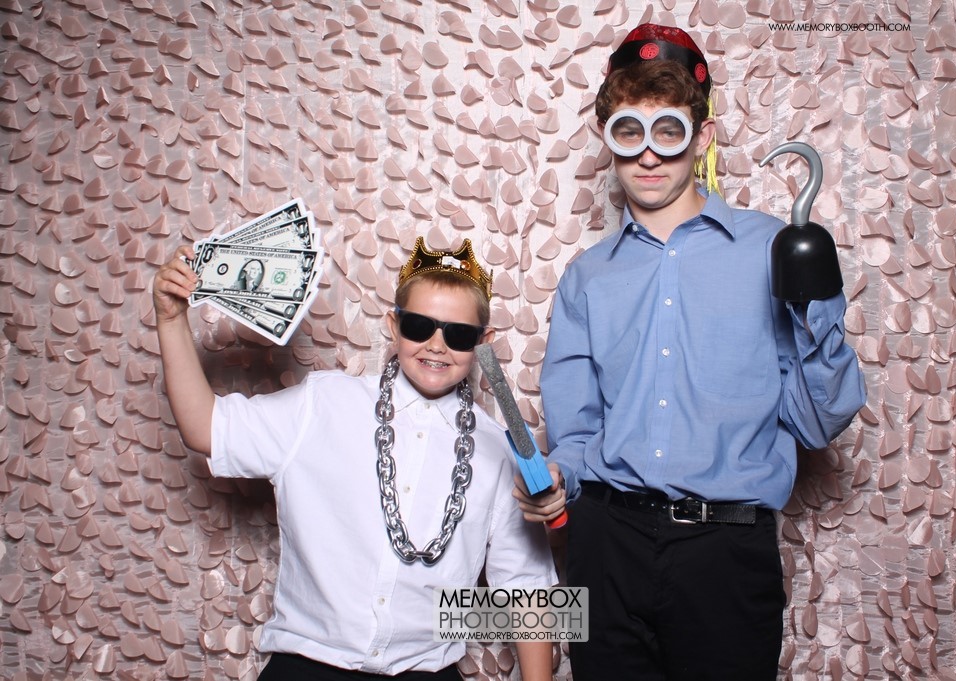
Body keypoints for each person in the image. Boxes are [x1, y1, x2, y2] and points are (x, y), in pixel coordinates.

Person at [515, 23, 867, 681]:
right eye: (630, 132)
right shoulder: (586, 277)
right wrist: (555, 479)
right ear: (608, 139)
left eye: (669, 131)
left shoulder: (771, 248)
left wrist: (816, 304)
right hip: (606, 546)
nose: (649, 156)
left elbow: (819, 423)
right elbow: (577, 435)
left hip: (725, 553)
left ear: (701, 138)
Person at [154, 236, 558, 681]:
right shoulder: (322, 403)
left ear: (484, 343)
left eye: (459, 334)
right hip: (307, 666)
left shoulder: (501, 449)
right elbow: (205, 428)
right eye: (419, 326)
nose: (436, 345)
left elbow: (528, 590)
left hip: (427, 670)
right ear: (393, 325)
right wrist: (170, 319)